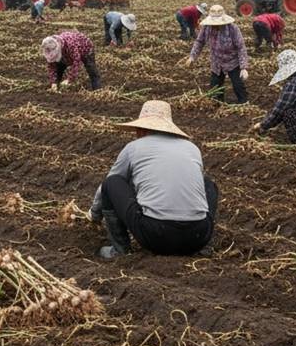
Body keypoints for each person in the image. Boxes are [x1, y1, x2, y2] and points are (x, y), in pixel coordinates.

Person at [88, 100, 217, 259]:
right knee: (208, 184)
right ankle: (205, 248)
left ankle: (120, 249)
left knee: (112, 181)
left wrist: (94, 215)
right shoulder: (192, 149)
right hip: (198, 237)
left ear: (142, 129)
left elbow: (107, 186)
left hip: (157, 236)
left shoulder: (134, 147)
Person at [183, 5, 249, 104]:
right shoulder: (206, 28)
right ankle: (218, 103)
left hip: (232, 61)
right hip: (216, 62)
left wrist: (243, 67)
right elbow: (199, 42)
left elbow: (241, 47)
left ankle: (244, 102)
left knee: (238, 85)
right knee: (215, 87)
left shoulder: (232, 29)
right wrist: (192, 57)